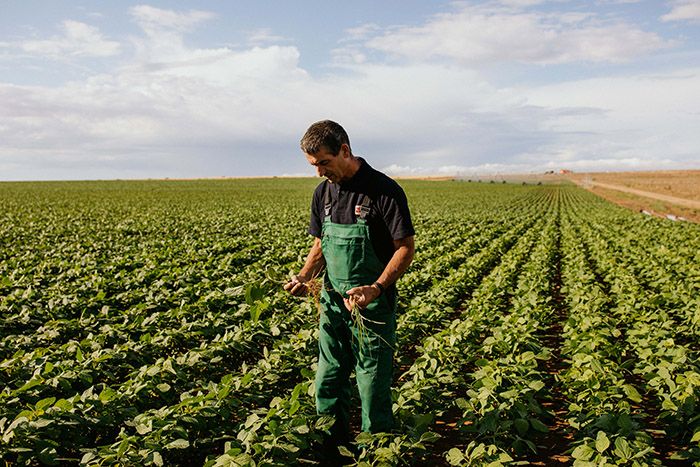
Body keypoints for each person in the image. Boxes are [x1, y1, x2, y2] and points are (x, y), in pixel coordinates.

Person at [283, 120, 415, 456]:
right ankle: (331, 448)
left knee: (371, 384)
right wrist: (304, 277)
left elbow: (405, 247)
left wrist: (376, 287)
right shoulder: (323, 194)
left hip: (371, 306)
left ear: (344, 151)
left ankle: (376, 452)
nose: (319, 173)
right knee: (327, 378)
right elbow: (320, 243)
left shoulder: (384, 191)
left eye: (324, 163)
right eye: (314, 166)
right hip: (331, 300)